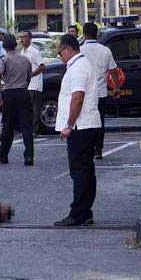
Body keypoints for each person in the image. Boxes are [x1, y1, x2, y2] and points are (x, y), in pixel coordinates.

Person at [53, 34, 101, 227]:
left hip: (80, 127)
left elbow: (77, 98)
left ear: (68, 49)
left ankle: (78, 214)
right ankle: (85, 211)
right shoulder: (79, 66)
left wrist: (69, 125)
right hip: (86, 125)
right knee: (86, 170)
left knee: (80, 171)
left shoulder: (79, 68)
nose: (59, 56)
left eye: (59, 52)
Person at [0, 34, 34, 166]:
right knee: (26, 126)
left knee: (8, 126)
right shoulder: (25, 60)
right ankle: (29, 156)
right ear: (15, 45)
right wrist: (23, 85)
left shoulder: (4, 60)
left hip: (10, 93)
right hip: (23, 93)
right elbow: (29, 77)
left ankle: (3, 155)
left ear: (4, 46)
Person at [80, 22, 121, 160]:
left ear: (84, 35)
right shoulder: (105, 50)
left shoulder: (79, 51)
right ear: (96, 34)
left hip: (84, 92)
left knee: (85, 120)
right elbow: (113, 71)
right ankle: (98, 149)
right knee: (99, 121)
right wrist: (116, 87)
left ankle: (87, 147)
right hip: (100, 92)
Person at [20, 30, 45, 136]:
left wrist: (31, 75)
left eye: (24, 37)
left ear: (30, 39)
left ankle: (35, 131)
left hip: (34, 84)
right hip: (25, 85)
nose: (22, 39)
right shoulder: (22, 52)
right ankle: (27, 130)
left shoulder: (34, 52)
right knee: (26, 109)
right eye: (21, 37)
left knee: (35, 109)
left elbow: (42, 66)